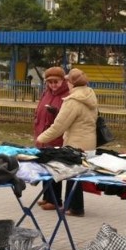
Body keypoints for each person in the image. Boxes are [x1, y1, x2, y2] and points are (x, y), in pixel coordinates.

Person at [36, 68, 98, 217]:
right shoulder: (89, 94)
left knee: (72, 176)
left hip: (76, 143)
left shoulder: (73, 101)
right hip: (88, 141)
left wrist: (41, 138)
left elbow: (59, 126)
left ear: (70, 82)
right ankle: (73, 206)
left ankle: (76, 208)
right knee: (75, 176)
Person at [33, 66, 70, 210]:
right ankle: (47, 196)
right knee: (44, 167)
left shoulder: (67, 95)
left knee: (54, 168)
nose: (53, 85)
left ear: (62, 81)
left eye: (56, 82)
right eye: (50, 82)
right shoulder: (46, 93)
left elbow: (65, 117)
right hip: (43, 135)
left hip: (56, 137)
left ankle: (56, 200)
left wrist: (56, 112)